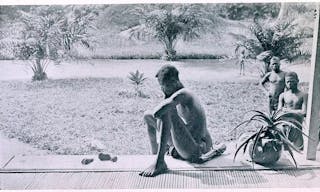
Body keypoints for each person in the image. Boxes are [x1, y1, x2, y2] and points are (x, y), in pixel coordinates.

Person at [139, 65, 226, 177]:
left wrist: (165, 99)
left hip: (194, 150)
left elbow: (158, 112)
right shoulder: (176, 96)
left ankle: (160, 162)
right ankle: (155, 155)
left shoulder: (184, 94)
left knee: (167, 110)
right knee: (147, 116)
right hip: (183, 144)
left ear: (174, 82)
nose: (163, 90)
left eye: (164, 86)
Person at [278, 71, 308, 150]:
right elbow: (279, 112)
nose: (290, 83)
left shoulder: (303, 95)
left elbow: (304, 112)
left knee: (299, 151)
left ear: (297, 81)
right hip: (284, 127)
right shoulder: (283, 95)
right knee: (285, 151)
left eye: (292, 81)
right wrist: (294, 112)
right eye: (288, 81)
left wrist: (288, 111)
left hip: (297, 127)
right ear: (285, 82)